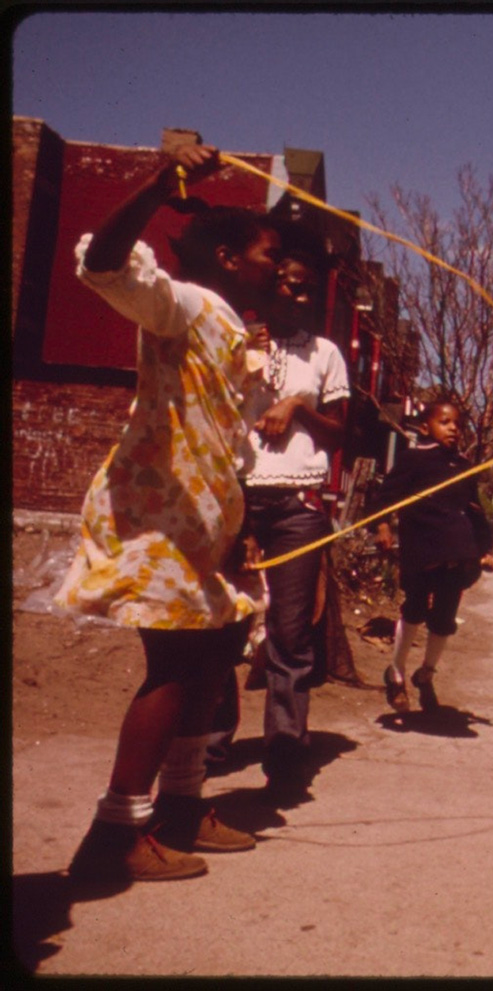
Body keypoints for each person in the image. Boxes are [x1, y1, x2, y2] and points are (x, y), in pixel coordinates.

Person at [57, 144, 279, 882]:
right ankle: (116, 830)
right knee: (176, 665)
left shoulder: (233, 326)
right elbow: (106, 265)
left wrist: (238, 527)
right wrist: (157, 186)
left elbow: (231, 445)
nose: (276, 267)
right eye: (266, 253)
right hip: (160, 515)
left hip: (209, 521)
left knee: (215, 655)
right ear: (225, 254)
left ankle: (182, 807)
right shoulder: (181, 304)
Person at [238, 227, 349, 800]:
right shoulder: (238, 339)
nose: (296, 295)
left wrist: (299, 407)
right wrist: (241, 360)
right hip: (235, 496)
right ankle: (206, 747)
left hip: (297, 503)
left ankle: (284, 753)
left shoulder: (325, 354)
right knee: (221, 626)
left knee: (288, 633)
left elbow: (339, 434)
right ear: (269, 283)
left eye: (306, 289)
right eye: (287, 284)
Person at [372, 399, 493, 712]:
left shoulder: (463, 466)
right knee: (414, 608)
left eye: (457, 423)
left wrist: (487, 550)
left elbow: (475, 511)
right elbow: (386, 496)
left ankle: (426, 673)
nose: (453, 428)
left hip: (455, 552)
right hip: (422, 548)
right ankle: (396, 672)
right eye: (445, 422)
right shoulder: (414, 459)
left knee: (444, 617)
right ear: (425, 428)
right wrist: (383, 526)